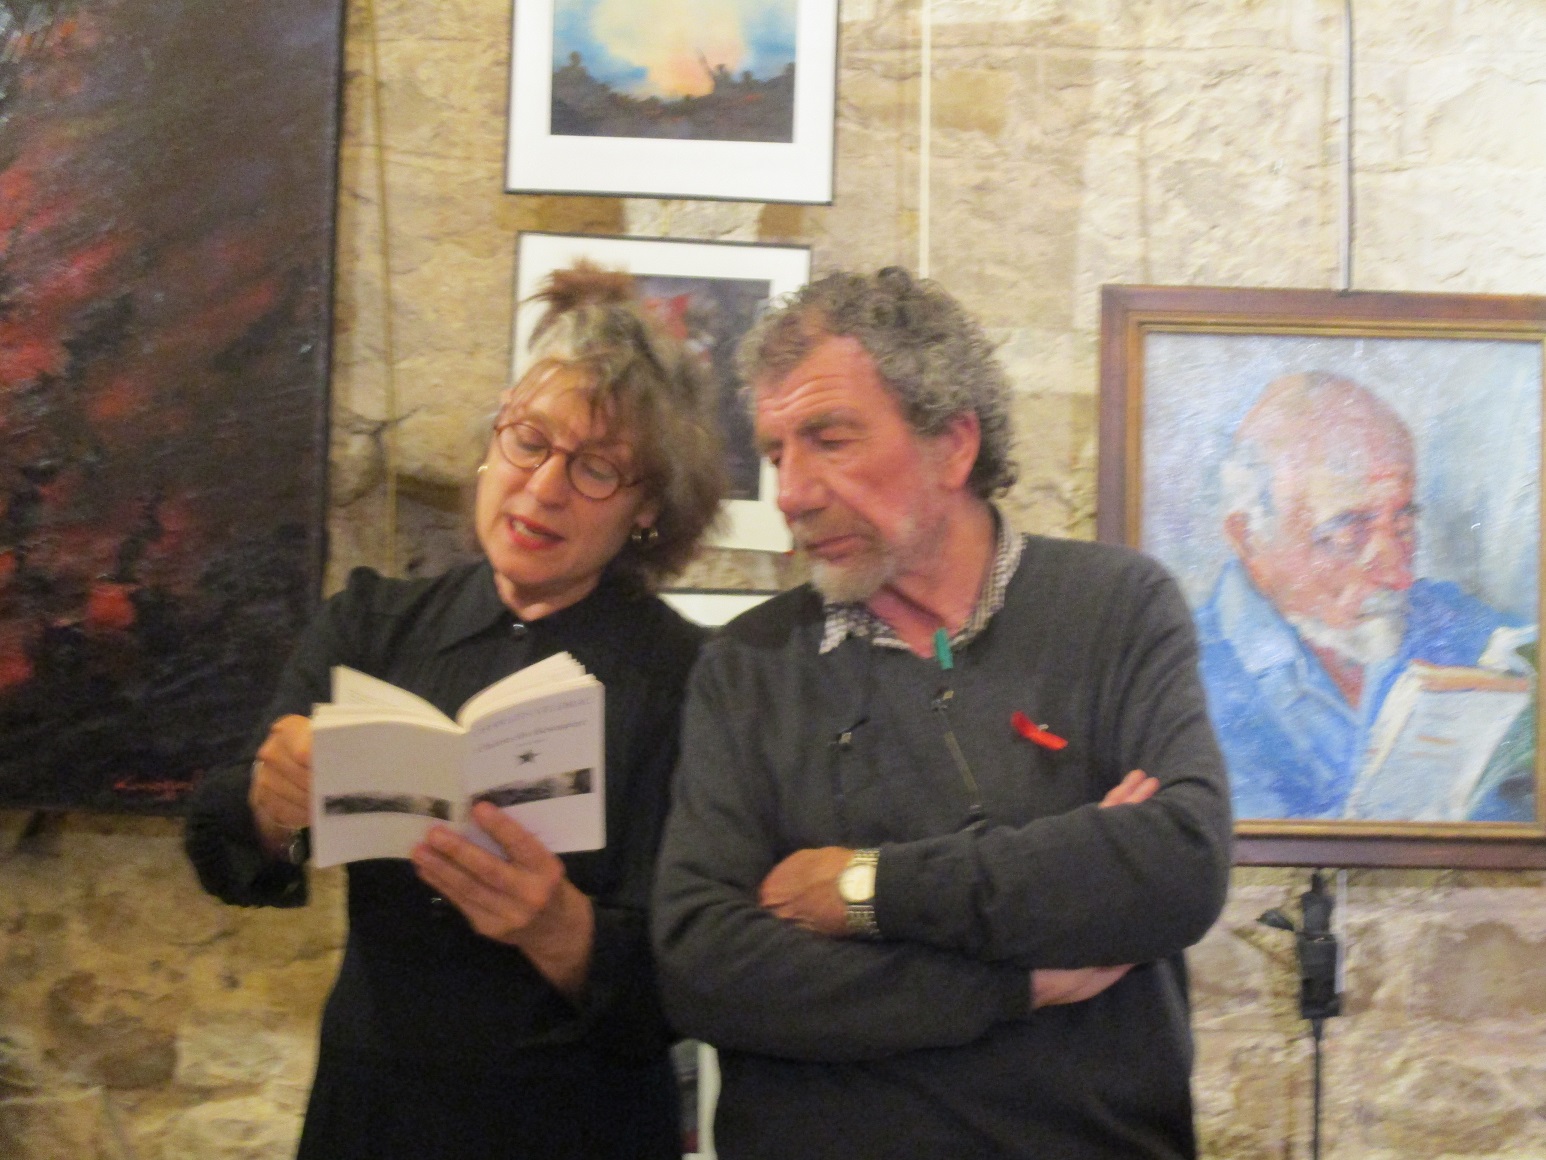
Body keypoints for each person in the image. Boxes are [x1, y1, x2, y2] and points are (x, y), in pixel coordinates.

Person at [651, 267, 1233, 1159]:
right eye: (775, 454)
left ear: (954, 445)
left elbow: (1176, 864)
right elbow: (705, 967)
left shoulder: (1115, 607)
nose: (792, 493)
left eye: (829, 440)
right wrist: (1015, 982)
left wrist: (863, 891)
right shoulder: (748, 666)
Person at [184, 265, 726, 1159]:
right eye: (529, 442)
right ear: (492, 441)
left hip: (576, 1124)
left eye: (596, 469)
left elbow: (697, 981)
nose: (542, 488)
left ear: (648, 510)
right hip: (373, 1113)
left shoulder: (692, 678)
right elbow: (221, 851)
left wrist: (563, 932)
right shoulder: (372, 624)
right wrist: (269, 806)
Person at [1197, 371, 1532, 821]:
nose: (1398, 574)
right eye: (1347, 533)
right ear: (1250, 536)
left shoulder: (1457, 623)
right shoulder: (1185, 676)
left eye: (1404, 526)